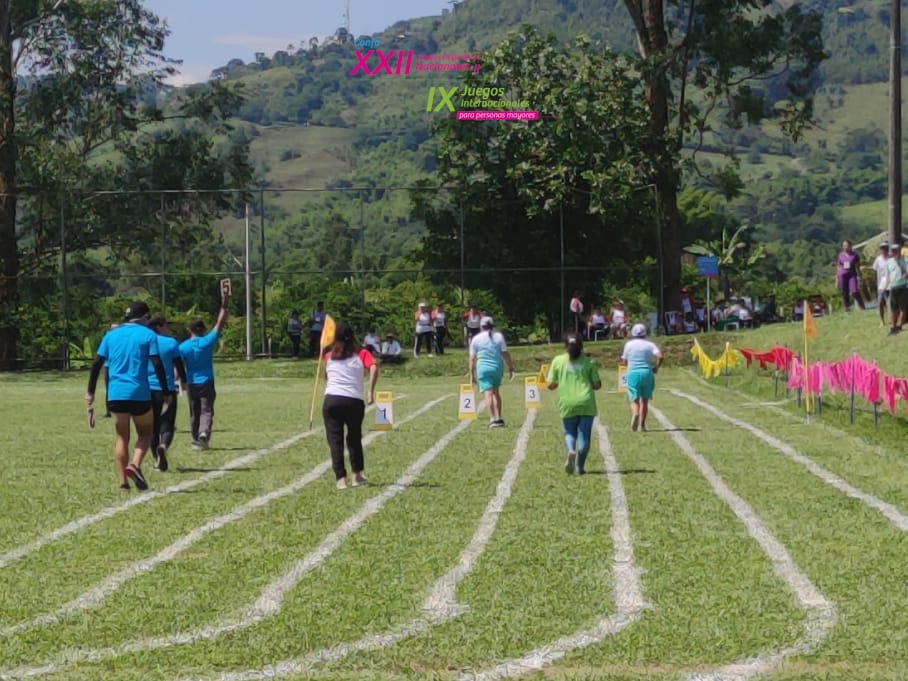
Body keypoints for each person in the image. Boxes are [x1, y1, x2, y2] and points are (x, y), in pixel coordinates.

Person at [85, 301, 171, 491]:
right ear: (145, 317)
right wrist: (166, 391)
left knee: (121, 437)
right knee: (145, 433)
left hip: (115, 394)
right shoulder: (148, 334)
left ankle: (123, 482)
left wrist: (90, 391)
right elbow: (157, 364)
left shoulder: (111, 335)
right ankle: (135, 464)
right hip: (139, 392)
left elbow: (96, 363)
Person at [322, 322, 378, 490]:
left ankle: (340, 479)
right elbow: (374, 367)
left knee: (335, 441)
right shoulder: (362, 353)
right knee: (354, 438)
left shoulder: (328, 355)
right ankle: (357, 476)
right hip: (354, 401)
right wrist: (370, 391)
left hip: (331, 400)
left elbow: (327, 376)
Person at [180, 285, 230, 449]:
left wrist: (179, 380)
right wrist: (225, 302)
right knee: (206, 409)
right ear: (203, 330)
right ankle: (204, 433)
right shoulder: (207, 342)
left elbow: (177, 364)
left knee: (194, 411)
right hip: (207, 381)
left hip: (191, 382)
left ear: (190, 330)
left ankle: (196, 439)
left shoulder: (183, 347)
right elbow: (220, 322)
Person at [546, 332, 602, 475]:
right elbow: (597, 385)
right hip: (586, 402)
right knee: (584, 436)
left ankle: (571, 449)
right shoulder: (588, 362)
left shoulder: (558, 361)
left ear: (565, 346)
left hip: (567, 402)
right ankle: (580, 467)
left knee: (569, 432)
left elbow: (551, 385)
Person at [147, 316, 187, 472]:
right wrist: (184, 382)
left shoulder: (145, 342)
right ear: (158, 326)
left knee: (151, 428)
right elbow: (179, 365)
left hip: (147, 390)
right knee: (167, 425)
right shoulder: (171, 343)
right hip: (167, 390)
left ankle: (157, 461)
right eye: (166, 325)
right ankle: (163, 446)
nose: (168, 328)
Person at [469, 316, 514, 428]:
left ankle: (492, 418)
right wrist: (511, 367)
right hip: (496, 367)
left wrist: (471, 373)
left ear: (481, 326)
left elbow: (472, 358)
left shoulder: (476, 339)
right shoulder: (498, 336)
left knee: (488, 393)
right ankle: (499, 417)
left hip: (483, 368)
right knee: (496, 392)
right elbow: (505, 353)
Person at [621, 323, 663, 432]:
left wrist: (626, 368)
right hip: (647, 372)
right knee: (644, 401)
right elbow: (660, 356)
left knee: (634, 399)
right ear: (645, 333)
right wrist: (656, 367)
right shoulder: (650, 344)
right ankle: (642, 425)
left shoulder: (629, 345)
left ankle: (635, 413)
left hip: (633, 372)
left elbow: (624, 361)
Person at [836, 240, 865, 311]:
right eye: (844, 246)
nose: (845, 247)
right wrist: (837, 280)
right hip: (842, 275)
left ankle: (861, 305)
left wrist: (860, 277)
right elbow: (838, 267)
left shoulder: (855, 255)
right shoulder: (840, 255)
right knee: (844, 292)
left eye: (847, 245)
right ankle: (847, 307)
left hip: (852, 275)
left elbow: (858, 267)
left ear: (851, 246)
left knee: (854, 291)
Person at [866, 242, 890, 327]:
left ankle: (892, 318)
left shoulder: (891, 258)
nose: (884, 250)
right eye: (882, 248)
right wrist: (865, 268)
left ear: (888, 249)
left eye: (885, 248)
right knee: (880, 303)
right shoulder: (878, 259)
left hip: (891, 284)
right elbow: (873, 268)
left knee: (890, 302)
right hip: (881, 285)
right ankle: (882, 321)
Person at [887, 242, 908, 335]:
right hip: (893, 287)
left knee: (903, 308)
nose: (895, 252)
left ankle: (899, 326)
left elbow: (906, 275)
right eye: (893, 250)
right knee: (894, 309)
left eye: (896, 250)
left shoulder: (906, 260)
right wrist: (886, 286)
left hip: (903, 286)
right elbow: (888, 275)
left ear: (900, 251)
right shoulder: (889, 262)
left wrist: (900, 264)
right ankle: (894, 326)